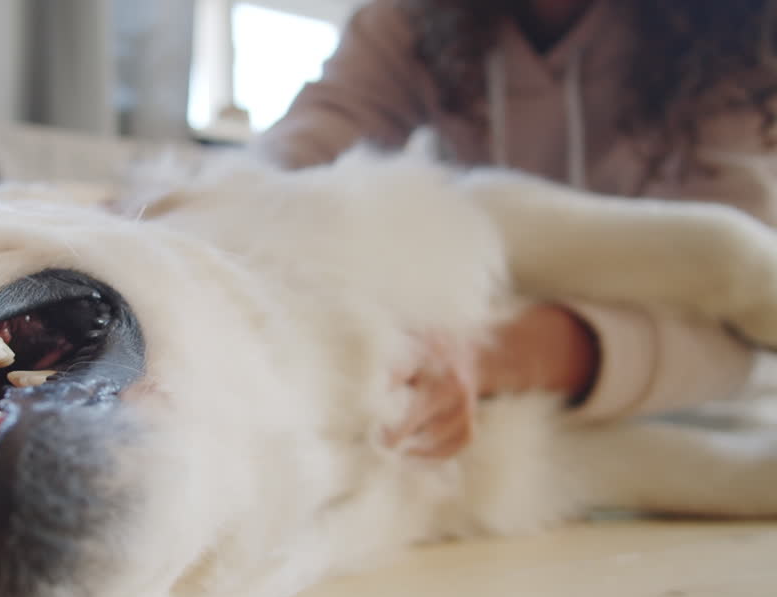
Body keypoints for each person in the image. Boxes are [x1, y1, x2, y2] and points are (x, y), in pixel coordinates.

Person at [255, 0, 777, 458]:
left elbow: (745, 331)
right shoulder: (406, 22)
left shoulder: (738, 31)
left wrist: (489, 354)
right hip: (491, 406)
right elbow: (289, 169)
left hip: (712, 422)